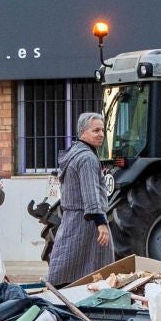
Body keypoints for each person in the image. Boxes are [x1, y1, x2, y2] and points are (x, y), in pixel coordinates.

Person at [47, 112, 115, 286]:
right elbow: (90, 194)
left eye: (102, 130)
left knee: (68, 262)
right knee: (94, 269)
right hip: (87, 222)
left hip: (73, 219)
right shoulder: (87, 158)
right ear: (83, 133)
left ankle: (62, 293)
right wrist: (101, 223)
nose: (101, 134)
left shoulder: (76, 153)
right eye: (96, 130)